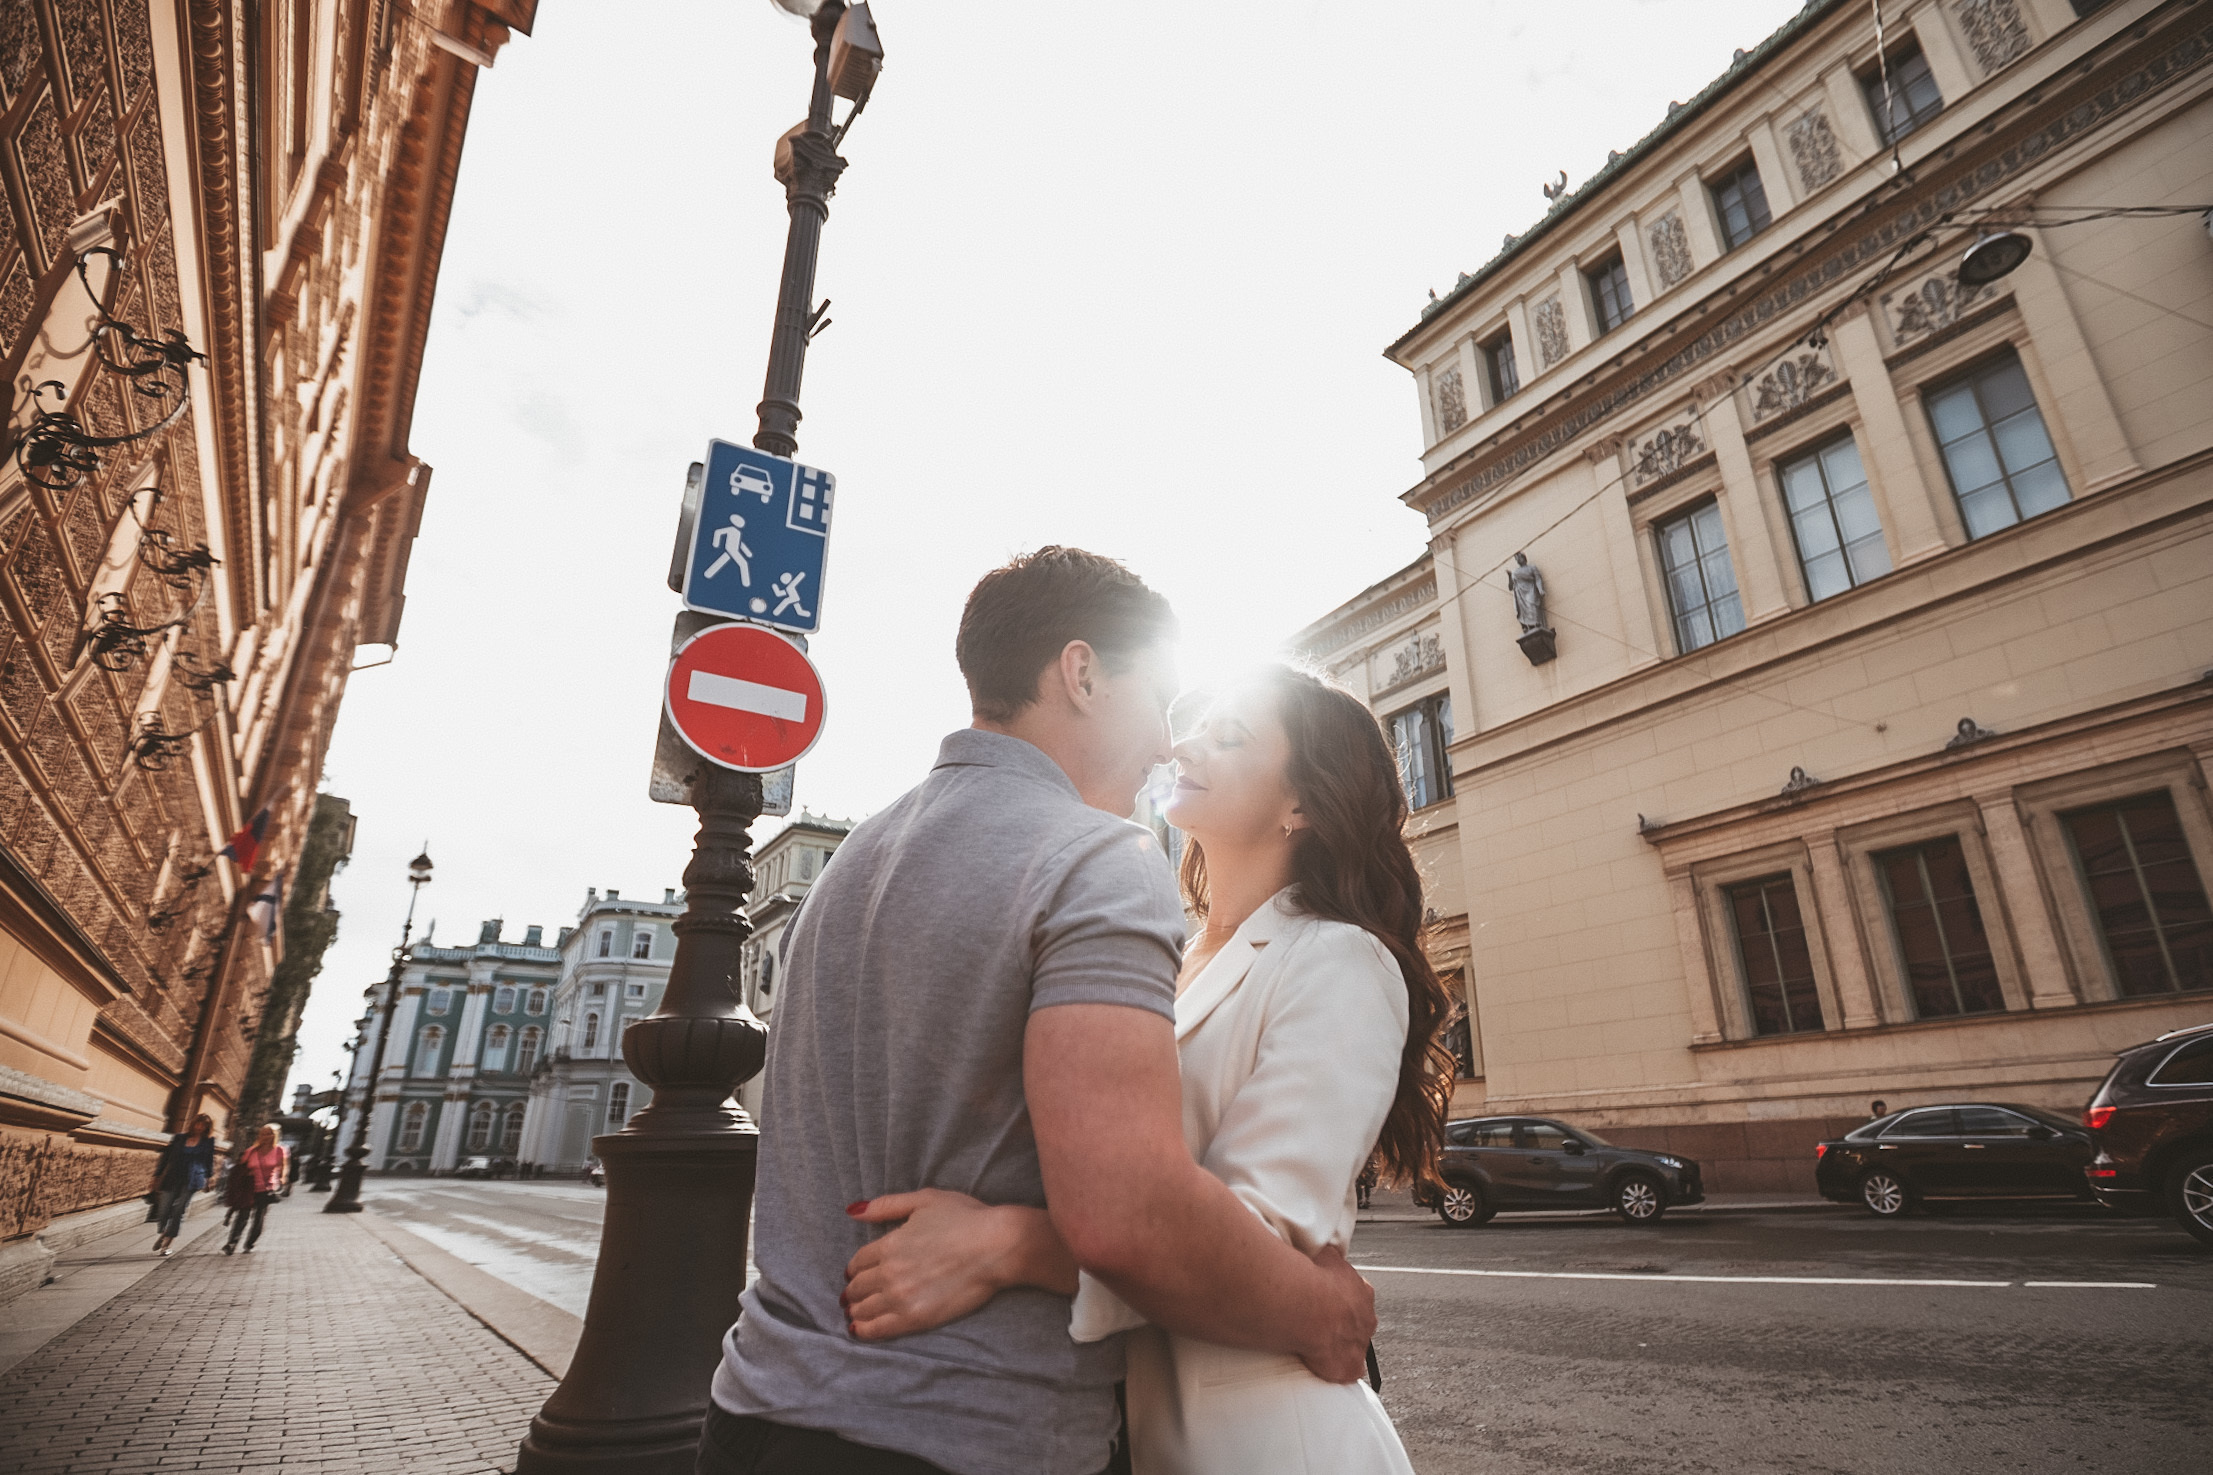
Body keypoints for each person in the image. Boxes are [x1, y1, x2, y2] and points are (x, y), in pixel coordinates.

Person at [700, 550, 1377, 1475]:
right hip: (967, 1429)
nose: (1164, 744)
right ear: (1083, 673)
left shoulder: (854, 859)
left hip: (756, 1409)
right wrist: (1320, 1309)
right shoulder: (1094, 856)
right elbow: (1128, 1216)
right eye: (1163, 700)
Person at [843, 666, 1453, 1473]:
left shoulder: (1340, 959)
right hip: (1121, 1427)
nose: (1183, 742)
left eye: (1228, 736)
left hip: (1266, 1438)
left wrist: (1008, 1245)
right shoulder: (1161, 953)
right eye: (1195, 724)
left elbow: (1254, 1237)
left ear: (1301, 804)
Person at [150, 1114, 217, 1255]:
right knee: (163, 1210)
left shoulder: (208, 1142)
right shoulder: (179, 1138)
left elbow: (209, 1161)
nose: (200, 1127)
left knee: (179, 1210)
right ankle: (165, 1231)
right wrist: (157, 1175)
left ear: (207, 1128)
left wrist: (209, 1178)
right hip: (173, 1176)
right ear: (193, 1123)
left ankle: (167, 1244)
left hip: (192, 1179)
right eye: (198, 1123)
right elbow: (166, 1158)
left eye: (204, 1125)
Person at [222, 1125, 288, 1255]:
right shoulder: (251, 1151)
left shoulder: (279, 1150)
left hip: (266, 1189)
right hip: (249, 1188)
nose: (266, 1136)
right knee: (242, 1217)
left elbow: (283, 1168)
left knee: (258, 1218)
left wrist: (281, 1180)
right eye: (263, 1134)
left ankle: (250, 1243)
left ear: (274, 1135)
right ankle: (232, 1243)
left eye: (269, 1134)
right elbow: (240, 1168)